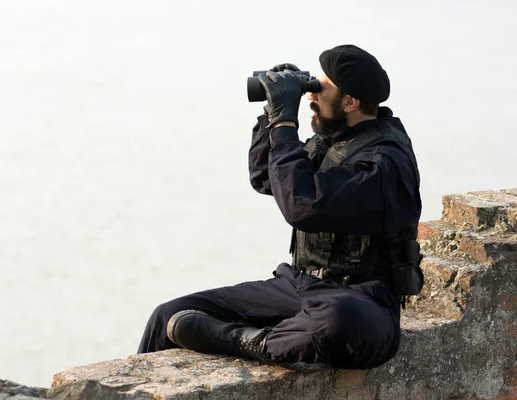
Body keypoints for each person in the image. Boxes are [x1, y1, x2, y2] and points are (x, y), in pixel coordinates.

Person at [137, 44, 422, 370]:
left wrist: (286, 124)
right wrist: (271, 116)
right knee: (167, 315)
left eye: (319, 89)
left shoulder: (383, 160)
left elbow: (302, 206)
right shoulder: (332, 140)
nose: (310, 96)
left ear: (350, 101)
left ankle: (240, 339)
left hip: (362, 299)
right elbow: (265, 178)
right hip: (297, 285)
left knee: (338, 322)